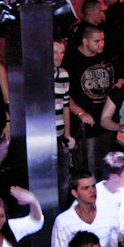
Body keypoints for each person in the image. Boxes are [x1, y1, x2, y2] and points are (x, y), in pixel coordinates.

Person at [62, 25, 116, 176]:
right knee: (89, 170)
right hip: (86, 126)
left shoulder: (104, 57)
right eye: (97, 41)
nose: (101, 44)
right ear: (85, 41)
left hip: (106, 122)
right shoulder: (71, 61)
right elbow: (65, 95)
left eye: (102, 40)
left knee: (106, 168)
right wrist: (80, 113)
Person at [52, 170, 118, 247]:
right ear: (75, 193)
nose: (92, 191)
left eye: (93, 186)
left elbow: (115, 246)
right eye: (85, 188)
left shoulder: (110, 211)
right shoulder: (63, 221)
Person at [53, 37, 74, 210]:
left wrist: (67, 134)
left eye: (62, 52)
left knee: (63, 182)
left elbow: (66, 105)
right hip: (43, 137)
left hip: (60, 136)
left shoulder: (64, 74)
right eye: (55, 52)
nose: (59, 56)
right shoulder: (36, 76)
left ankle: (60, 214)